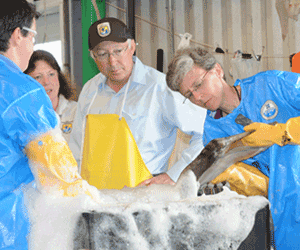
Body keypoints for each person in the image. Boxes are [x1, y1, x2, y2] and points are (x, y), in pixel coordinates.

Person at [166, 46, 300, 250]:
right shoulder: (214, 136)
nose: (199, 98)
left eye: (199, 85)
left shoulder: (272, 84)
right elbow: (266, 187)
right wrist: (237, 176)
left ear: (217, 71)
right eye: (190, 95)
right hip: (288, 218)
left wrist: (283, 132)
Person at [0, 1, 97, 249]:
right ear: (16, 35)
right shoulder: (22, 92)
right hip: (10, 227)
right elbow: (57, 170)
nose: (33, 45)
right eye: (32, 35)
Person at [69, 17, 206, 186]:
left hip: (144, 198)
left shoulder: (159, 87)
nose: (112, 62)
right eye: (103, 54)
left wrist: (175, 175)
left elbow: (206, 132)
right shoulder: (90, 90)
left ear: (132, 47)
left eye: (118, 51)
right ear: (93, 56)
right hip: (98, 196)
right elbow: (77, 146)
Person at [24, 50, 77, 142]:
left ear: (59, 77)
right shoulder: (23, 118)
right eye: (38, 77)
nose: (46, 82)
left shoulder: (77, 111)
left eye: (51, 74)